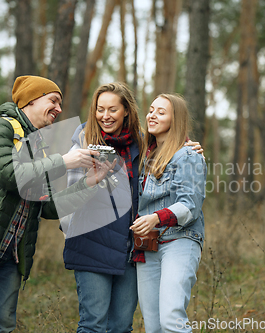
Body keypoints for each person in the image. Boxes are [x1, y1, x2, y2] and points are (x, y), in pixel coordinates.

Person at [0, 75, 110, 333]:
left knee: (1, 328)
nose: (59, 109)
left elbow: (49, 208)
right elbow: (11, 175)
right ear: (31, 100)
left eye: (60, 103)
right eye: (53, 100)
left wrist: (87, 183)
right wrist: (65, 161)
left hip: (11, 255)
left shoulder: (38, 146)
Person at [60, 83, 203, 332]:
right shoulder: (85, 143)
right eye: (100, 109)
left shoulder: (142, 144)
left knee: (125, 324)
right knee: (97, 324)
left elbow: (175, 158)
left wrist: (188, 145)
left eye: (112, 109)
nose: (105, 116)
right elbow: (66, 202)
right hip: (94, 245)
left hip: (134, 249)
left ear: (126, 110)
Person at [130, 93, 206, 333]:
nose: (152, 115)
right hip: (148, 246)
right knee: (153, 326)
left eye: (161, 112)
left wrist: (155, 218)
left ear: (176, 119)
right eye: (151, 109)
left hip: (179, 241)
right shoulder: (143, 155)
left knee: (171, 320)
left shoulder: (188, 155)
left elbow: (189, 205)